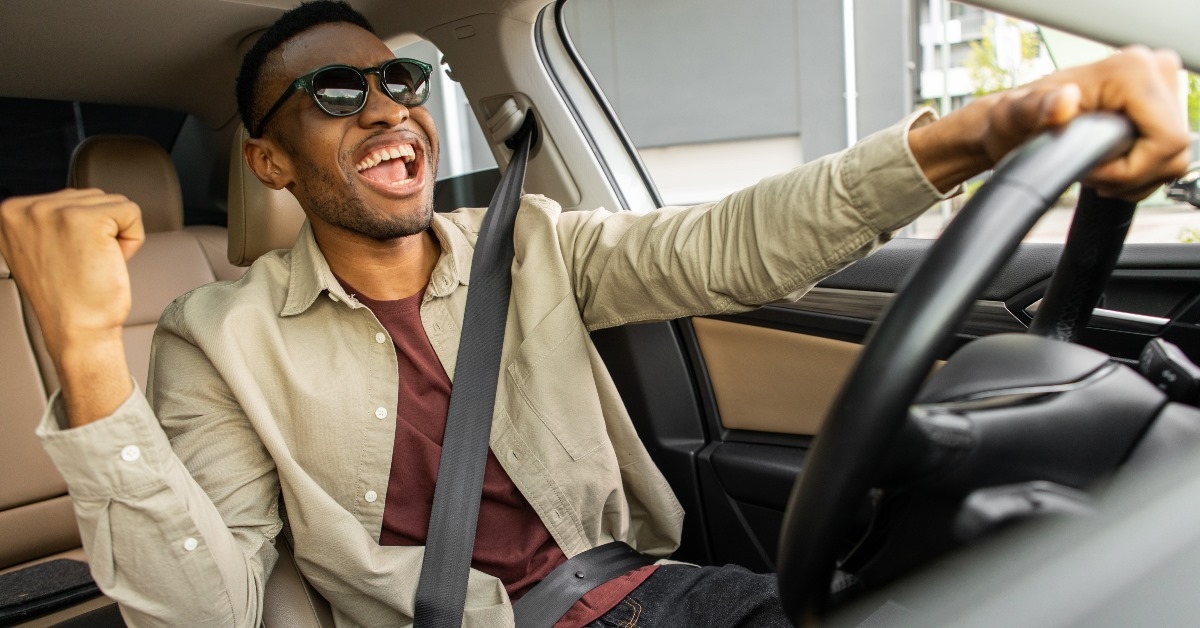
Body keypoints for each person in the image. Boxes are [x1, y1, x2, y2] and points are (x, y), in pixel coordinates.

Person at [0, 1, 1189, 626]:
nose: (388, 108)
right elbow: (206, 612)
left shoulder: (533, 243)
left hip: (660, 595)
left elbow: (732, 245)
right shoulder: (217, 339)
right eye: (334, 91)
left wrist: (984, 129)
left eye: (402, 79)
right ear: (267, 160)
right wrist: (87, 349)